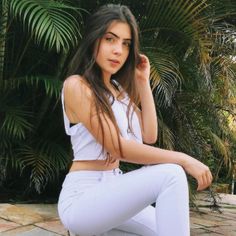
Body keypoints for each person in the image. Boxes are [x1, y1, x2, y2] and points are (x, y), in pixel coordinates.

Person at [57, 4, 213, 236]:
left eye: (125, 44)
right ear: (94, 39)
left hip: (113, 189)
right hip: (82, 198)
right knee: (172, 173)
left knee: (166, 228)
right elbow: (117, 147)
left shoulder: (118, 90)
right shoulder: (77, 86)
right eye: (110, 39)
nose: (118, 50)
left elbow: (149, 136)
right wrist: (184, 159)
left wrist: (142, 82)